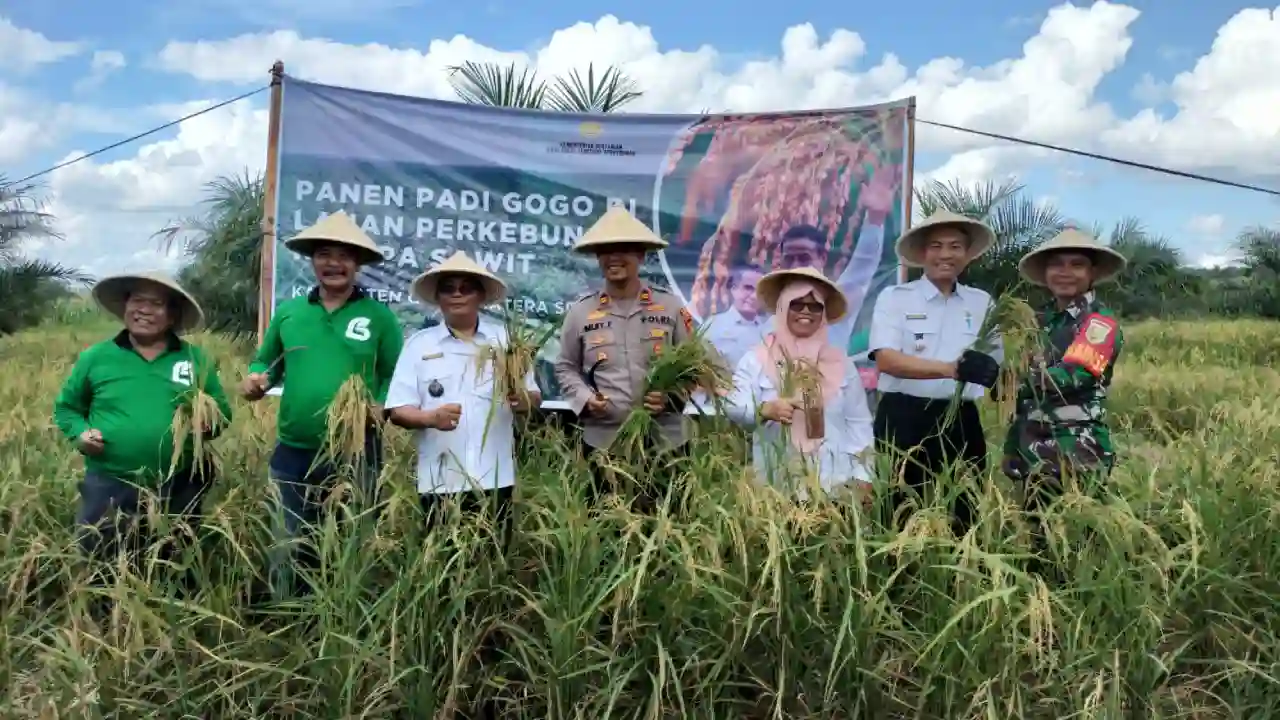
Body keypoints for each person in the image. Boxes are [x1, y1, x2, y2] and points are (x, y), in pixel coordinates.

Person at [240, 211, 404, 597]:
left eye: (345, 255)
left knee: (353, 536)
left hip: (356, 449)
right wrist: (256, 380)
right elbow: (266, 361)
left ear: (357, 264)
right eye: (325, 254)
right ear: (312, 260)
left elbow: (394, 374)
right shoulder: (290, 313)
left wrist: (380, 406)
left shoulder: (378, 317)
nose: (334, 263)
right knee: (288, 538)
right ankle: (285, 615)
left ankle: (347, 613)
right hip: (295, 448)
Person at [53, 272, 232, 592]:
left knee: (175, 566)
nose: (144, 310)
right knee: (102, 567)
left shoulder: (194, 359)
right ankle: (103, 629)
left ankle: (171, 630)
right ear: (125, 306)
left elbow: (222, 413)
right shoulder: (96, 358)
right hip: (110, 483)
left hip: (178, 484)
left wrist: (208, 421)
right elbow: (67, 409)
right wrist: (80, 434)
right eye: (137, 300)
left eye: (156, 303)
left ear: (173, 314)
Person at [553, 205, 705, 511]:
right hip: (604, 444)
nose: (613, 258)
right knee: (608, 532)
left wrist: (671, 398)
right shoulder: (581, 311)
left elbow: (695, 364)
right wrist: (584, 398)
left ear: (641, 256)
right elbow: (565, 366)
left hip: (667, 444)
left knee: (667, 534)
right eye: (605, 251)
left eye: (623, 249)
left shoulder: (671, 307)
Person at [385, 251, 540, 540]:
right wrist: (431, 417)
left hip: (495, 477)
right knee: (439, 568)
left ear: (480, 296)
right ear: (438, 297)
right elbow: (398, 410)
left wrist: (523, 401)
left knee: (492, 564)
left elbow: (533, 396)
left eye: (466, 288)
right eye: (448, 288)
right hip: (439, 480)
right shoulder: (418, 345)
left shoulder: (506, 341)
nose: (457, 294)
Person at [868, 210, 1003, 536]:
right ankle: (897, 578)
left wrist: (994, 374)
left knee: (966, 508)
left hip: (962, 418)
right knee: (898, 508)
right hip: (904, 416)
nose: (946, 254)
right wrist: (951, 369)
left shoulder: (982, 302)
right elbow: (886, 359)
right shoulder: (896, 298)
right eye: (936, 246)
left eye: (955, 246)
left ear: (966, 254)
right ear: (923, 253)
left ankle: (959, 577)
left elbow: (996, 366)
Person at [1002, 229, 1127, 558]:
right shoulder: (1038, 321)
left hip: (1078, 451)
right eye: (1056, 264)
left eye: (1076, 265)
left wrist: (1008, 378)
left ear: (1093, 273)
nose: (1065, 272)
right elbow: (1025, 399)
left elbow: (1074, 375)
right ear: (1044, 273)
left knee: (1077, 544)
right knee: (1039, 542)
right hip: (1034, 450)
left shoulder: (1099, 322)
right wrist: (1012, 446)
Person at [726, 267, 874, 504]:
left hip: (834, 487)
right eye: (797, 304)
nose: (806, 311)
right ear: (783, 307)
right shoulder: (756, 359)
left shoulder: (841, 363)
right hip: (776, 486)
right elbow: (733, 406)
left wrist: (863, 476)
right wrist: (764, 409)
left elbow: (859, 424)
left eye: (815, 306)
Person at [768, 164, 901, 358]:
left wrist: (875, 218)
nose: (796, 264)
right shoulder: (768, 316)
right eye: (790, 258)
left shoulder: (835, 304)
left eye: (804, 257)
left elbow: (863, 265)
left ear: (821, 258)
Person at [703, 262, 768, 368]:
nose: (754, 296)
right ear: (733, 289)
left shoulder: (768, 330)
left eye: (760, 291)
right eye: (748, 288)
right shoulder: (713, 326)